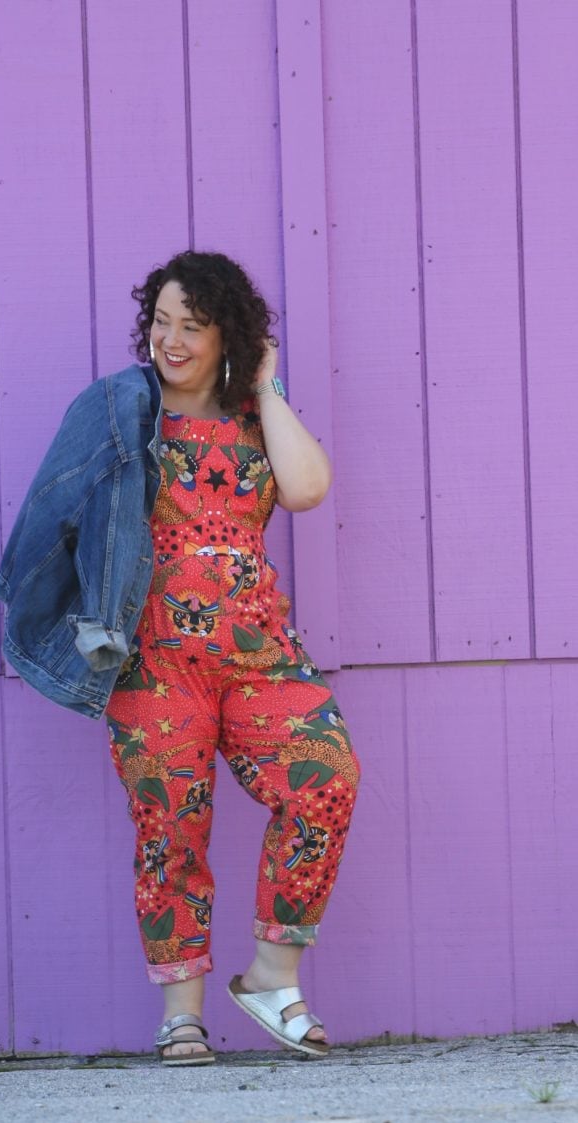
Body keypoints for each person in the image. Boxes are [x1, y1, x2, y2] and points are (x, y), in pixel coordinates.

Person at [104, 251, 361, 1064]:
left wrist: (266, 383)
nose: (172, 340)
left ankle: (271, 977)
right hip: (154, 662)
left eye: (194, 326)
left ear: (229, 337)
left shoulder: (256, 415)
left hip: (260, 657)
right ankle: (181, 1014)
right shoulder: (124, 412)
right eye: (161, 322)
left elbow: (310, 486)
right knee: (171, 829)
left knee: (328, 774)